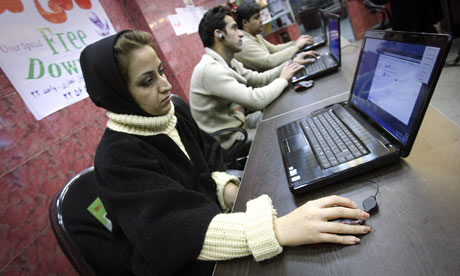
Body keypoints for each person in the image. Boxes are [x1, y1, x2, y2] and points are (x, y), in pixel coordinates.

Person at [80, 29, 371, 276]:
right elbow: (176, 236)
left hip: (213, 226)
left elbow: (206, 168)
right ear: (116, 94)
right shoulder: (117, 157)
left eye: (161, 71)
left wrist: (228, 189)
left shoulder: (174, 111)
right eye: (147, 82)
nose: (166, 85)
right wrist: (277, 229)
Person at [190, 5, 303, 151]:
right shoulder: (210, 69)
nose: (241, 34)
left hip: (241, 124)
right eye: (234, 28)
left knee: (285, 112)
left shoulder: (228, 61)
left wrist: (291, 64)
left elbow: (259, 78)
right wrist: (283, 79)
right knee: (282, 132)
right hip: (231, 141)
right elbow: (255, 101)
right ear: (219, 34)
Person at [234, 2, 319, 72]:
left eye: (260, 16)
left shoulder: (254, 35)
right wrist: (297, 47)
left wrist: (295, 43)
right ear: (245, 23)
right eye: (256, 18)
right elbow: (270, 62)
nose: (261, 20)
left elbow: (274, 49)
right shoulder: (244, 43)